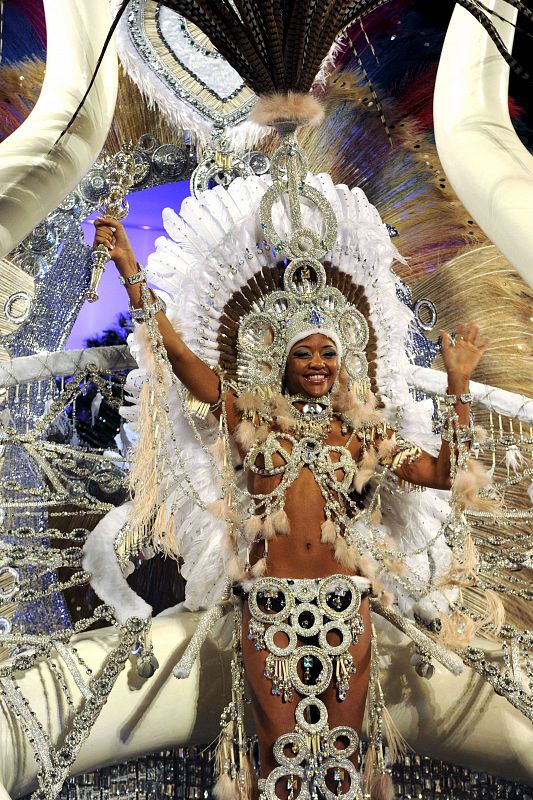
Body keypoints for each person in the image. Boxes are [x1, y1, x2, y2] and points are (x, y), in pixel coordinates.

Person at [93, 184, 489, 800]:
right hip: (268, 605)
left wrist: (458, 385)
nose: (317, 364)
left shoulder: (363, 433)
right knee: (281, 760)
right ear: (281, 360)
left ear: (344, 360)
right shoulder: (251, 417)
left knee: (341, 763)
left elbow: (444, 475)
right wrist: (130, 273)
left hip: (345, 605)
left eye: (328, 353)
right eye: (303, 353)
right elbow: (177, 356)